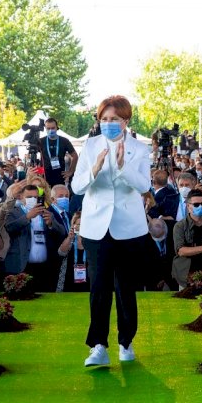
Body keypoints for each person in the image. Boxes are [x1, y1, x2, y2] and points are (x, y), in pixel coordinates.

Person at [71, 95, 150, 367]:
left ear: (125, 121)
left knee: (126, 287)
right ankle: (98, 345)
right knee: (99, 287)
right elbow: (77, 187)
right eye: (103, 119)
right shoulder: (90, 146)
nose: (108, 124)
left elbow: (142, 185)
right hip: (96, 228)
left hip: (129, 227)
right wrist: (94, 169)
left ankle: (126, 342)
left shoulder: (139, 149)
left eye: (114, 119)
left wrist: (122, 166)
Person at [3, 184, 66, 292]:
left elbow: (62, 232)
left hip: (45, 265)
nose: (33, 199)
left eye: (35, 197)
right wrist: (27, 217)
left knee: (45, 298)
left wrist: (51, 223)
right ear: (21, 198)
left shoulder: (46, 213)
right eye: (29, 197)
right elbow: (10, 228)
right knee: (22, 299)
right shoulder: (13, 212)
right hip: (23, 264)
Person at [171, 189, 202, 289]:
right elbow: (181, 251)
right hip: (186, 274)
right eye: (196, 205)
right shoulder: (180, 226)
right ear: (188, 206)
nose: (201, 207)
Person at [41, 118, 77, 187]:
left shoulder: (64, 141)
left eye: (53, 128)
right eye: (48, 128)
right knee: (46, 197)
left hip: (60, 176)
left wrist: (70, 171)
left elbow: (75, 156)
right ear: (45, 128)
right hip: (45, 176)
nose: (50, 130)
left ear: (57, 127)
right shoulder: (41, 141)